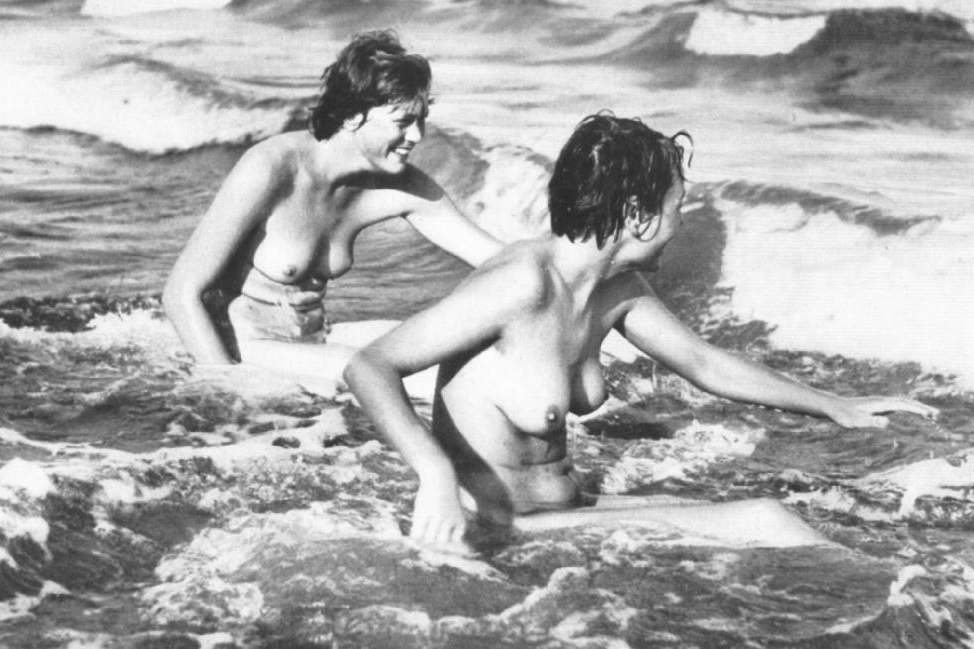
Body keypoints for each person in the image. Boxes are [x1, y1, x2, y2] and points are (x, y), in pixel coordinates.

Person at [344, 113, 939, 550]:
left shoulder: (613, 287)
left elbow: (704, 363)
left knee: (802, 513)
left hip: (568, 508)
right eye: (677, 205)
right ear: (636, 214)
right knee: (767, 521)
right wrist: (435, 478)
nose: (680, 220)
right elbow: (370, 365)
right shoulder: (519, 285)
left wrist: (833, 405)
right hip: (502, 525)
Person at [162, 31, 499, 393]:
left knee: (453, 352)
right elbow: (181, 293)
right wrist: (227, 387)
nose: (418, 135)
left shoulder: (398, 184)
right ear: (353, 115)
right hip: (242, 345)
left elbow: (498, 258)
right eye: (403, 122)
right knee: (377, 373)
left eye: (422, 120)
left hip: (313, 339)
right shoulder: (272, 168)